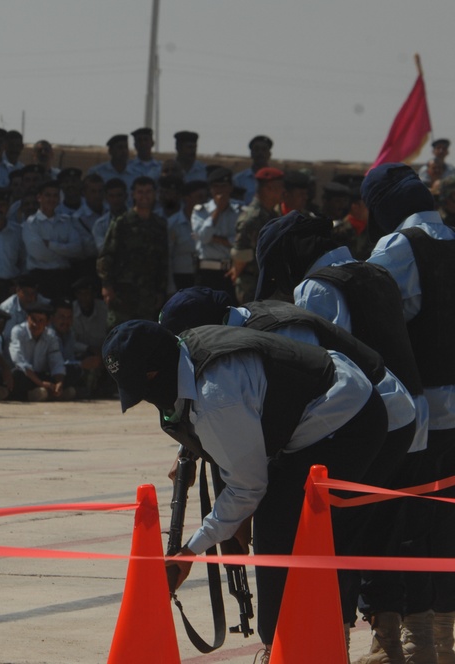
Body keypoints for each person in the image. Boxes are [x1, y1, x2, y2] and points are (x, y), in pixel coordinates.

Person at [102, 318, 386, 661]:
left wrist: (191, 550)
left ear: (154, 373)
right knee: (277, 521)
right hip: (328, 395)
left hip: (346, 415)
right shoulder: (184, 351)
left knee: (281, 530)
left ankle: (283, 649)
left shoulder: (215, 400)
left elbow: (248, 487)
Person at [251, 212, 425, 659]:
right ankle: (395, 643)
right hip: (411, 419)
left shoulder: (318, 287)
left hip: (366, 426)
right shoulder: (375, 271)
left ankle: (334, 641)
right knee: (386, 534)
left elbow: (324, 365)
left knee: (337, 536)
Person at [363, 163, 455, 661]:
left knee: (401, 529)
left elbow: (377, 326)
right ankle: (444, 643)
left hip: (418, 420)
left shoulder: (396, 249)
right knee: (447, 530)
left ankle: (398, 644)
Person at [96, 175, 169, 328]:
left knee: (144, 334)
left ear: (155, 194)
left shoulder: (159, 225)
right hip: (122, 293)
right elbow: (106, 256)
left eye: (148, 192)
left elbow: (163, 260)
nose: (144, 196)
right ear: (133, 195)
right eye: (140, 192)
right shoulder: (122, 222)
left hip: (148, 294)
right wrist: (106, 285)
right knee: (118, 335)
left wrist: (161, 291)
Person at [21, 179, 84, 301]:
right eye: (47, 195)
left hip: (64, 278)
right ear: (39, 197)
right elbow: (39, 254)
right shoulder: (31, 224)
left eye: (55, 195)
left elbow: (78, 249)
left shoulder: (66, 221)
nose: (51, 199)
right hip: (40, 278)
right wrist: (65, 253)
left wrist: (50, 245)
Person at [228, 166, 284, 303]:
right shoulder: (252, 218)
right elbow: (241, 254)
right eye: (280, 187)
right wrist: (237, 271)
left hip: (267, 283)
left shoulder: (272, 213)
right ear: (268, 188)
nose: (283, 191)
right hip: (252, 285)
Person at [7, 301, 73, 402]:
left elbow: (57, 361)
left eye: (40, 320)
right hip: (27, 375)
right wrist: (41, 383)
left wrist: (59, 382)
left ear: (47, 322)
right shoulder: (18, 332)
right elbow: (20, 362)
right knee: (17, 375)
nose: (35, 324)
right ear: (27, 318)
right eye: (33, 319)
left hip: (40, 375)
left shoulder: (51, 336)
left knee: (70, 369)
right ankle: (38, 394)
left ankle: (51, 392)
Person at [191, 167, 240, 298]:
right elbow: (204, 237)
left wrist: (216, 239)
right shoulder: (201, 211)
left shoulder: (239, 211)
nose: (220, 191)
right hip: (205, 272)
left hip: (229, 271)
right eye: (216, 187)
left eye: (223, 186)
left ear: (230, 187)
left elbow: (238, 241)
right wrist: (217, 210)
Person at [232, 135, 274, 203]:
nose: (260, 153)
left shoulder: (277, 179)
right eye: (256, 149)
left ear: (269, 154)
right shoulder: (239, 180)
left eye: (264, 149)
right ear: (251, 154)